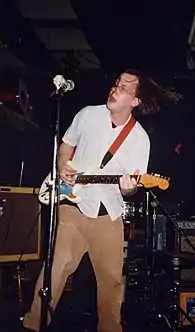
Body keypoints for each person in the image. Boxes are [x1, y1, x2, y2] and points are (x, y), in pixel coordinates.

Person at [23, 69, 181, 332]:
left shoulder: (139, 139)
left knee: (111, 283)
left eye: (124, 88)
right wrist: (62, 166)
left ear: (135, 101)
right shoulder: (87, 114)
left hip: (108, 212)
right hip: (72, 203)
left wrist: (130, 187)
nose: (115, 89)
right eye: (116, 84)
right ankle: (33, 324)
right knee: (57, 267)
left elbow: (129, 188)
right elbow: (65, 146)